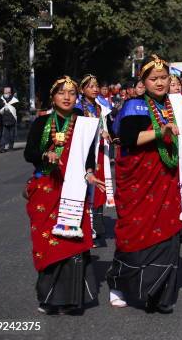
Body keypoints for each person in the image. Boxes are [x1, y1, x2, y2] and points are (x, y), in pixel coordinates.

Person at [106, 55, 182, 313]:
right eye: (154, 79)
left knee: (168, 233)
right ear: (144, 81)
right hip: (140, 182)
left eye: (164, 78)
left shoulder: (177, 106)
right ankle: (119, 282)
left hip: (167, 179)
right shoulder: (134, 106)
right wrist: (159, 132)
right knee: (133, 234)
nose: (160, 83)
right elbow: (127, 137)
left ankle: (161, 295)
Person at [24, 76, 104, 314]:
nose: (67, 97)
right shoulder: (42, 123)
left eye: (71, 93)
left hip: (74, 191)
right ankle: (48, 298)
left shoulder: (83, 123)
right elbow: (29, 153)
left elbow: (88, 154)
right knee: (48, 243)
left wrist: (89, 173)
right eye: (62, 92)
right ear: (53, 97)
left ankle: (71, 299)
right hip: (47, 188)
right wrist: (45, 156)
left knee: (71, 242)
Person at [77, 74, 115, 247]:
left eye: (96, 85)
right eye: (91, 86)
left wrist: (104, 132)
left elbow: (101, 125)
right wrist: (99, 132)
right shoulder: (78, 107)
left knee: (98, 188)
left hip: (98, 150)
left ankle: (96, 227)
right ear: (82, 89)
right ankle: (87, 228)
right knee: (86, 188)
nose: (95, 89)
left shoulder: (98, 107)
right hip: (85, 151)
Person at [0, 86, 20, 152]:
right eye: (5, 92)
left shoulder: (15, 100)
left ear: (10, 93)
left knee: (11, 135)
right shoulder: (1, 100)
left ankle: (10, 147)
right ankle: (2, 148)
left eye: (8, 92)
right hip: (3, 120)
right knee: (3, 135)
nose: (7, 94)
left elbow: (17, 110)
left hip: (12, 120)